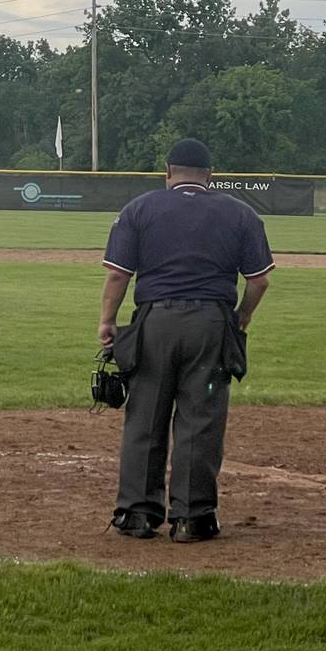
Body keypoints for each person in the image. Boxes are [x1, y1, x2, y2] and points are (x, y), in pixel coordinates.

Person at [97, 138, 273, 543]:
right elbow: (259, 279)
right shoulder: (240, 213)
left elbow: (118, 275)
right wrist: (240, 319)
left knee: (145, 416)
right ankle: (192, 518)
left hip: (154, 321)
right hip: (211, 324)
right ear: (210, 176)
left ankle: (137, 515)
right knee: (201, 417)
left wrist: (107, 321)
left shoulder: (139, 209)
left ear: (168, 172)